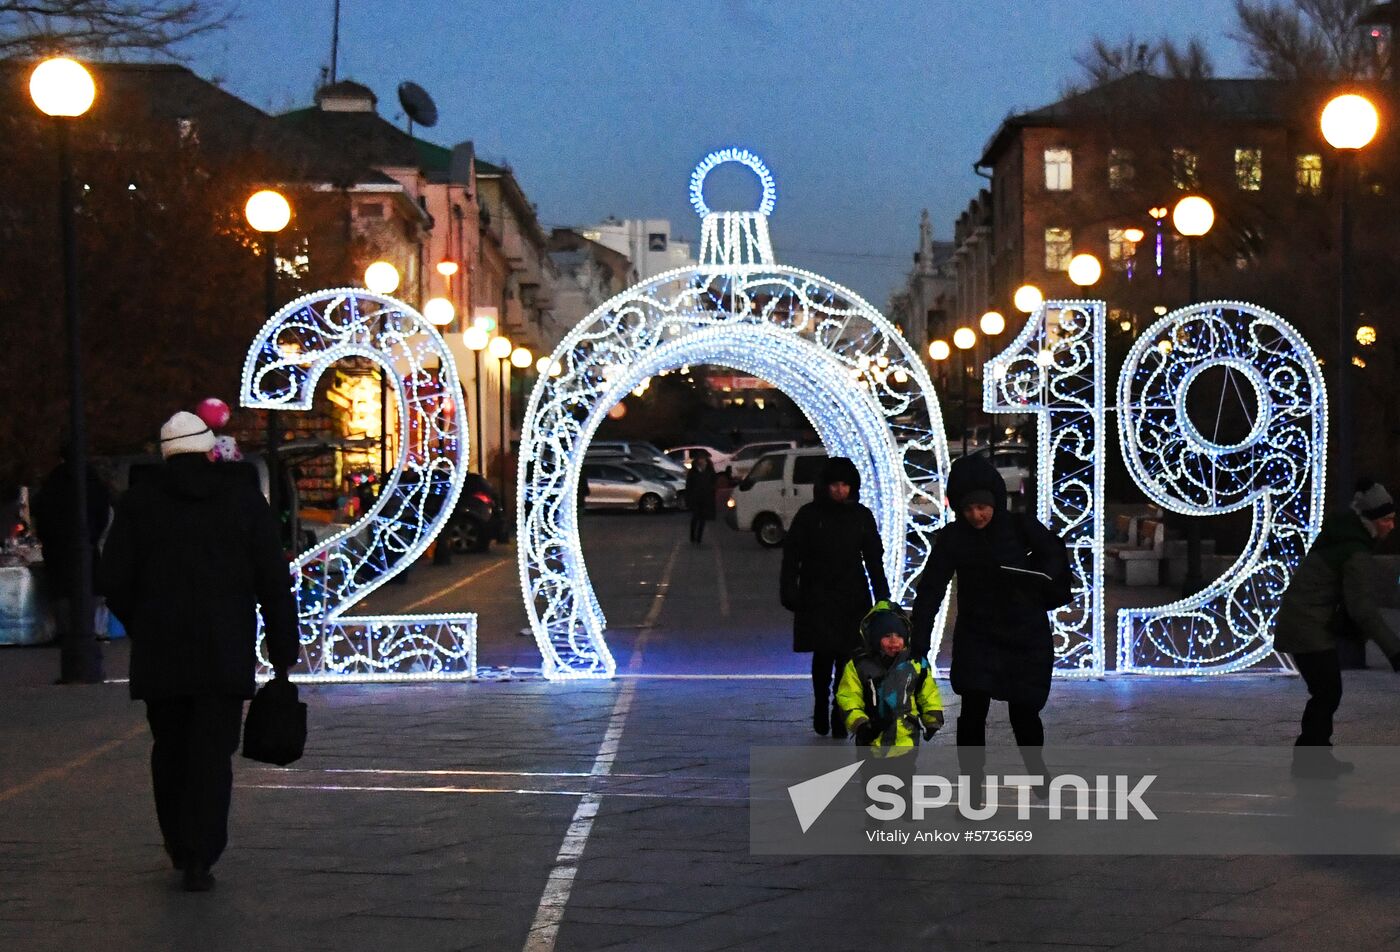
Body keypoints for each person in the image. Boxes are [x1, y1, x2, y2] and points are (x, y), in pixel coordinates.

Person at [99, 411, 299, 891]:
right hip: (223, 646)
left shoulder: (139, 502)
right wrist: (282, 647)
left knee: (170, 748)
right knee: (213, 752)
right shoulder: (242, 498)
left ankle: (179, 841)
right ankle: (202, 852)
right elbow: (272, 578)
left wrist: (143, 622)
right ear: (211, 448)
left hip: (161, 650)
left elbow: (113, 578)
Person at [910, 454, 1068, 793]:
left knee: (1024, 710)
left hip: (1022, 632)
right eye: (968, 509)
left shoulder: (1019, 527)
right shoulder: (953, 538)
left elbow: (1055, 555)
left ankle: (1036, 769)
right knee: (972, 709)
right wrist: (919, 645)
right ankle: (972, 784)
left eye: (982, 507)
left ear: (995, 501)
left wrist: (1036, 579)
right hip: (977, 633)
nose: (976, 515)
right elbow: (931, 590)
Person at [1275, 478, 1400, 777]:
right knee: (1327, 692)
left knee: (1326, 691)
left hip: (1306, 621)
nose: (1391, 526)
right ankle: (1309, 760)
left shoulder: (1343, 536)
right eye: (1386, 520)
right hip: (1307, 625)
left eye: (1393, 519)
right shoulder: (1354, 550)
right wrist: (1395, 652)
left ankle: (1315, 756)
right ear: (1370, 520)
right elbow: (1364, 609)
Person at [780, 457, 889, 738]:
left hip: (851, 595)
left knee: (846, 658)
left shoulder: (860, 516)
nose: (840, 490)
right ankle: (820, 703)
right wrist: (789, 589)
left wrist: (883, 598)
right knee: (823, 654)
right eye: (835, 485)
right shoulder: (809, 516)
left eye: (845, 485)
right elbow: (792, 555)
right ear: (825, 486)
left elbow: (874, 560)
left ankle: (839, 710)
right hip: (817, 594)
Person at [33, 442, 111, 682]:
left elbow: (42, 513)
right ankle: (90, 633)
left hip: (59, 550)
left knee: (63, 593)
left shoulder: (53, 483)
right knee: (88, 591)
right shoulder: (92, 481)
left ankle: (69, 636)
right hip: (85, 548)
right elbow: (102, 512)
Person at [685, 453, 718, 544]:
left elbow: (714, 482)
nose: (703, 461)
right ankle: (692, 536)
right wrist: (688, 498)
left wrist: (711, 492)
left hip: (705, 498)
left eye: (704, 460)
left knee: (703, 519)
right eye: (701, 459)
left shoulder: (710, 471)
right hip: (695, 498)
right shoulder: (693, 472)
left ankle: (699, 538)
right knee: (695, 517)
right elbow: (689, 486)